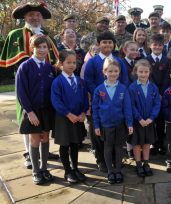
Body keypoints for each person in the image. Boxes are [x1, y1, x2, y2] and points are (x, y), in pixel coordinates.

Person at [84, 31, 129, 172]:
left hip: (116, 103)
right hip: (99, 102)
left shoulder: (119, 61)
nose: (107, 45)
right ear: (98, 44)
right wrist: (99, 93)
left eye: (110, 42)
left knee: (116, 134)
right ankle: (101, 160)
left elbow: (125, 79)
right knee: (98, 134)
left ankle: (117, 159)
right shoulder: (92, 62)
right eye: (104, 42)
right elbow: (88, 80)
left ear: (114, 44)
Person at [16, 34, 56, 184]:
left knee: (45, 138)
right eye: (38, 47)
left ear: (48, 49)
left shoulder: (49, 68)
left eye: (44, 47)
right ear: (32, 48)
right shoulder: (25, 67)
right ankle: (36, 170)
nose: (41, 50)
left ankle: (44, 168)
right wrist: (30, 112)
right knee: (35, 140)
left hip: (46, 110)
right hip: (33, 111)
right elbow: (21, 92)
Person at [92, 57, 133, 184]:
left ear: (119, 72)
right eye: (110, 71)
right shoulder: (99, 89)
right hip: (106, 125)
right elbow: (95, 108)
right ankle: (110, 171)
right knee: (108, 147)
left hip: (120, 124)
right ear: (104, 72)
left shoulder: (123, 88)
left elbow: (127, 107)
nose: (113, 74)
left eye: (116, 71)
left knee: (119, 147)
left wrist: (129, 123)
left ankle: (118, 170)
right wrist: (97, 125)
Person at [51, 50, 88, 184]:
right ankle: (67, 171)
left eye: (74, 62)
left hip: (77, 118)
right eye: (68, 62)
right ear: (61, 63)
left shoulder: (79, 81)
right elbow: (56, 101)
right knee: (65, 145)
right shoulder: (57, 82)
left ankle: (75, 168)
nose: (72, 65)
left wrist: (84, 112)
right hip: (64, 118)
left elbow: (84, 97)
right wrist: (68, 114)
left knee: (75, 144)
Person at [128, 59, 160, 177]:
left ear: (149, 72)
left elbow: (157, 104)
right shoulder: (132, 88)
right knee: (136, 144)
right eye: (140, 72)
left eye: (146, 72)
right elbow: (131, 105)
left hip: (149, 121)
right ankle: (138, 164)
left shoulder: (153, 87)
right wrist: (139, 119)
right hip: (138, 122)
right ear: (136, 72)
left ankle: (146, 163)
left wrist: (151, 118)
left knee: (147, 143)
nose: (143, 74)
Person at [146, 33, 171, 155]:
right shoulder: (146, 60)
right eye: (155, 45)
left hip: (163, 94)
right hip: (151, 95)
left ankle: (161, 143)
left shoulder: (167, 60)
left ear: (163, 46)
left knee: (161, 121)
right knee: (152, 120)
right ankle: (153, 143)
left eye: (160, 45)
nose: (157, 47)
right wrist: (156, 93)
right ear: (150, 45)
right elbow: (148, 77)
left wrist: (161, 93)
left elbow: (168, 77)